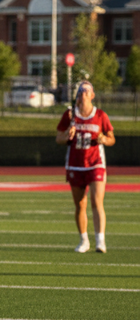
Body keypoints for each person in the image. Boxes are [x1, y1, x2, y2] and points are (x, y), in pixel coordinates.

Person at [56, 80, 115, 253]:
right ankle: (84, 240)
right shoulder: (69, 115)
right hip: (75, 164)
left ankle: (100, 241)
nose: (83, 94)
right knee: (80, 205)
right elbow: (59, 138)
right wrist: (68, 135)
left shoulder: (100, 115)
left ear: (92, 95)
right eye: (81, 91)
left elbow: (112, 138)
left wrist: (104, 139)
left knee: (97, 202)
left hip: (95, 163)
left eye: (87, 91)